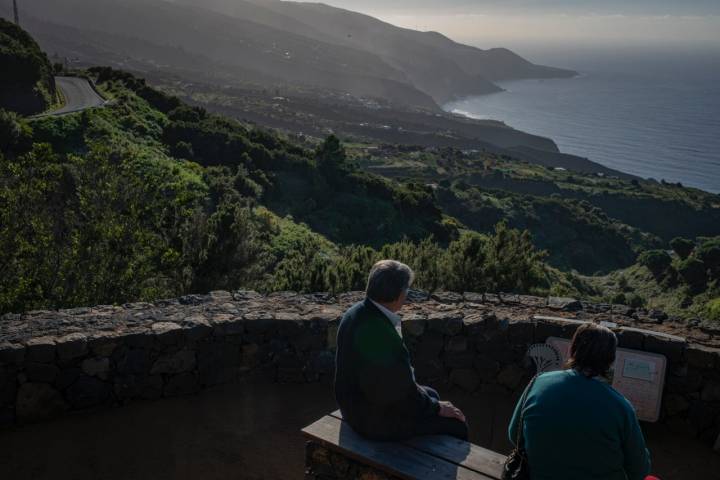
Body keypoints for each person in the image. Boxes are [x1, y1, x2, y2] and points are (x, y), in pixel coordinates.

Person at [334, 259, 468, 441]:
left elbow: (390, 383)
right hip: (372, 421)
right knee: (457, 425)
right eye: (407, 289)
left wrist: (430, 401)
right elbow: (401, 396)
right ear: (398, 295)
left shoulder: (356, 312)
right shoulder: (382, 336)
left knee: (432, 394)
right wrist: (438, 408)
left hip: (354, 405)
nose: (407, 294)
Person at [509, 323, 651, 480]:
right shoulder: (621, 407)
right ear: (610, 360)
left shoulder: (538, 382)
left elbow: (514, 434)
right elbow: (639, 470)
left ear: (572, 350)